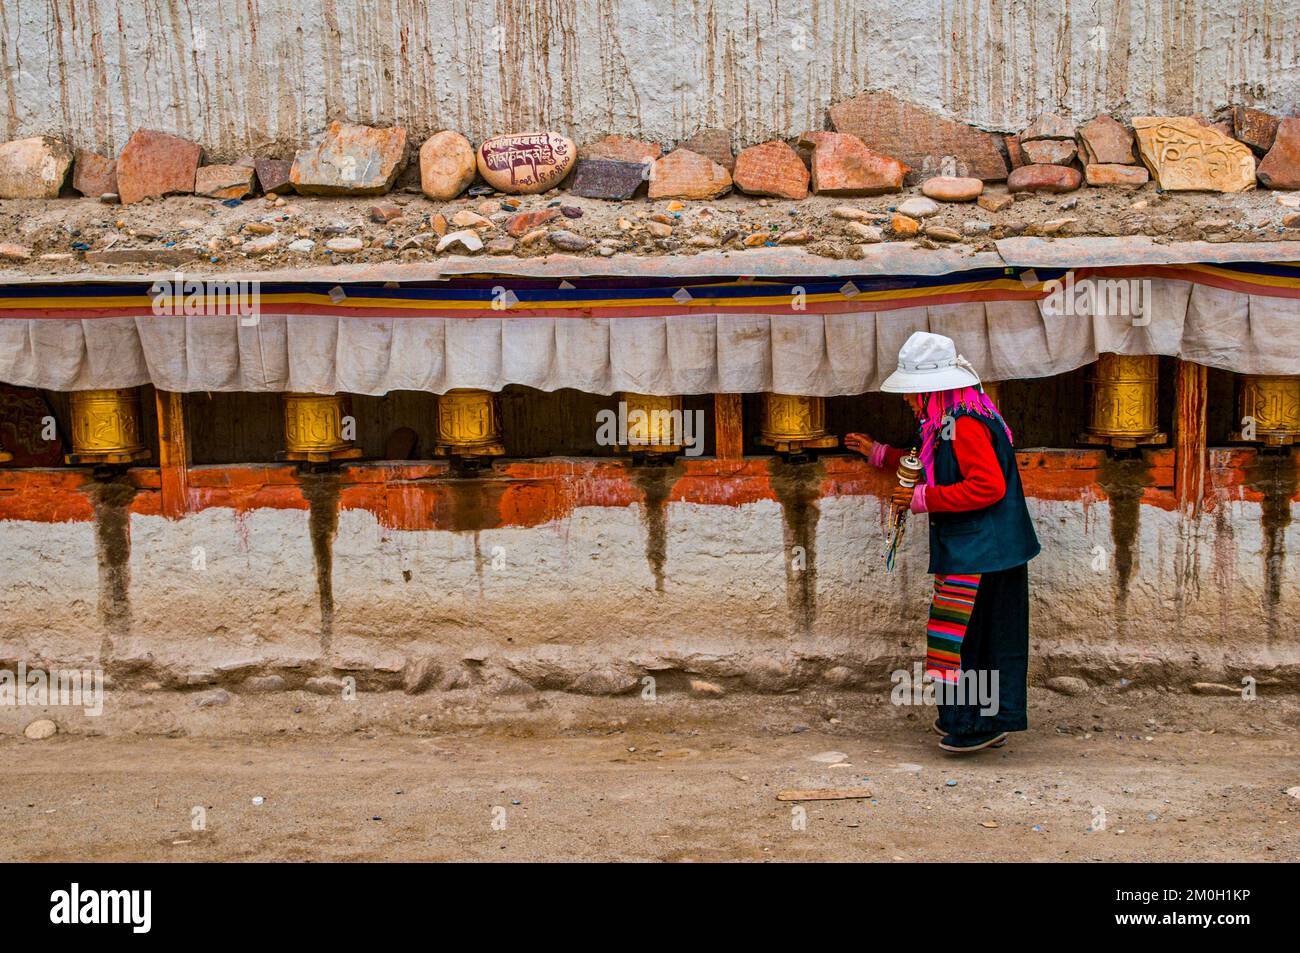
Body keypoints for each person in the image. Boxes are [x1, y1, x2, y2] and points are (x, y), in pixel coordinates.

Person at [845, 331, 1040, 753]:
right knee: (970, 637)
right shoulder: (954, 418)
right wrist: (881, 454)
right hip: (984, 549)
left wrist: (922, 499)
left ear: (934, 389)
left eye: (914, 394)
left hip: (983, 552)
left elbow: (987, 486)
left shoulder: (965, 425)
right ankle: (967, 717)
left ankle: (975, 724)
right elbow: (930, 460)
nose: (909, 401)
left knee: (969, 638)